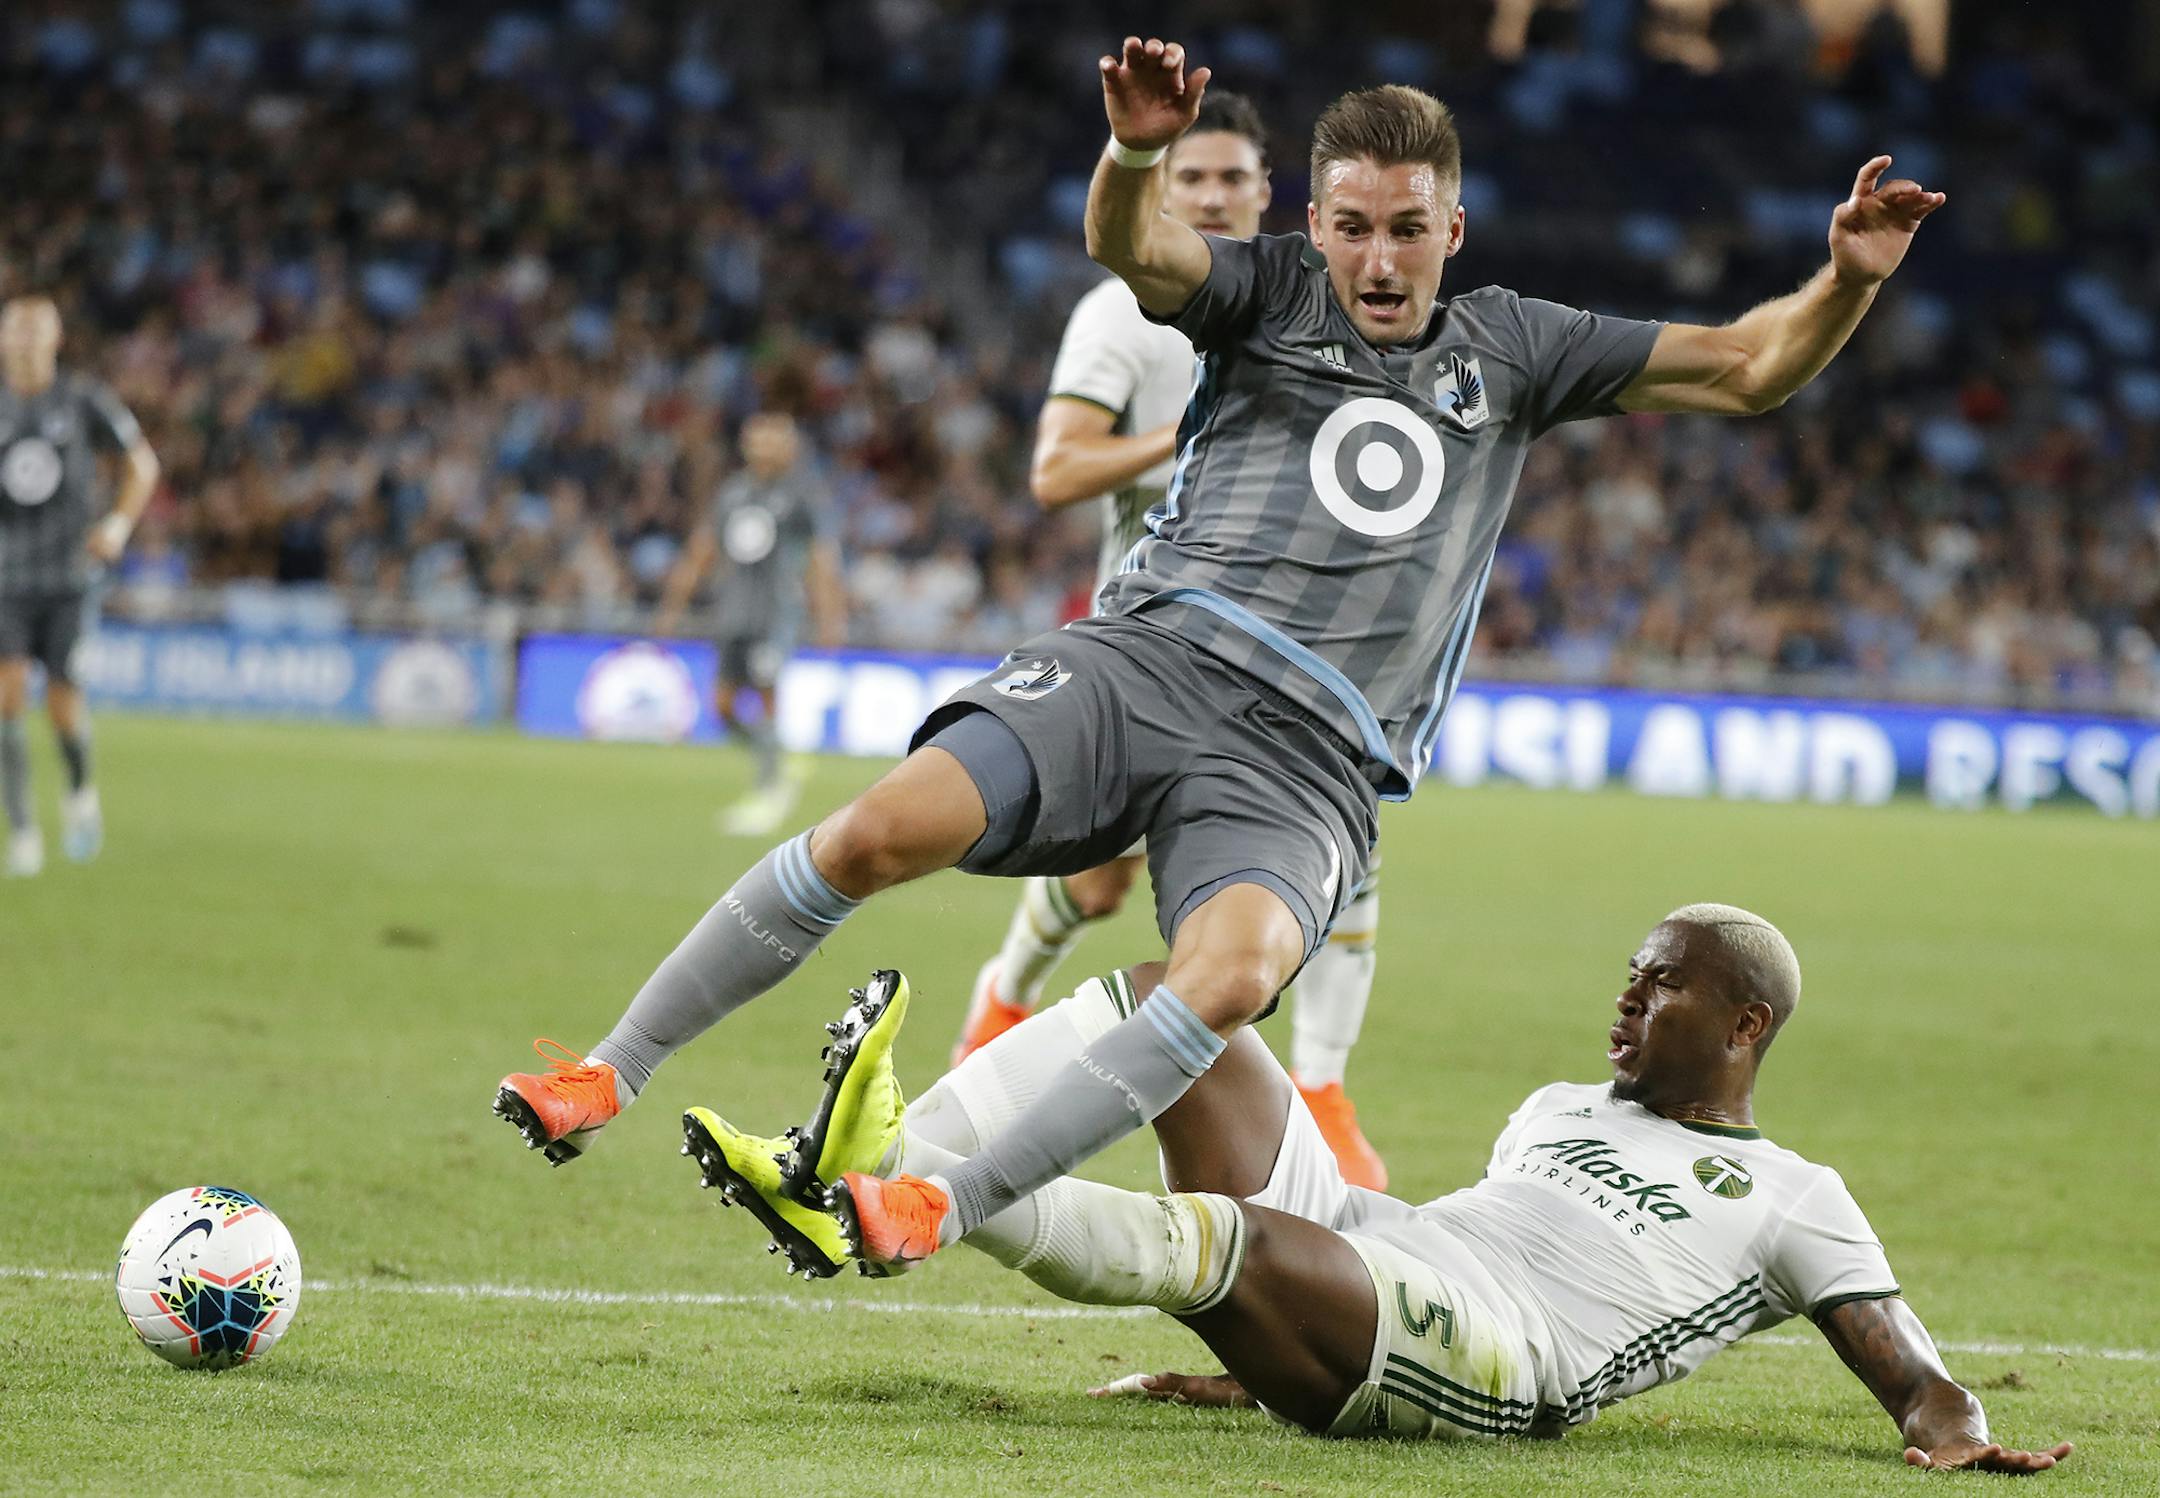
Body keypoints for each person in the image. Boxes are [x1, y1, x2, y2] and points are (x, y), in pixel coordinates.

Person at [493, 36, 1943, 1273]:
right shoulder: (1263, 294)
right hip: (1152, 659)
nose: (1380, 261)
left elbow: (1750, 364)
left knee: (1235, 971)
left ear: (1457, 224)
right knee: (887, 824)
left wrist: (1848, 280)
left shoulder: (1521, 349)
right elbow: (1134, 248)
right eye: (1355, 226)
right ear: (1316, 219)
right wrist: (1133, 156)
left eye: (1409, 228)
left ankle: (936, 1198)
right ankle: (606, 1069)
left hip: (1307, 758)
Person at [685, 906, 2071, 1473]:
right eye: (1632, 973)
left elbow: (1920, 1384)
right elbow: (1413, 1263)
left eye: (1661, 984)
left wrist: (1956, 1432)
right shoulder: (1559, 1107)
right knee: (1187, 1001)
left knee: (1222, 1243)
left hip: (1499, 1355)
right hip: (1390, 1259)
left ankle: (900, 1204)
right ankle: (882, 1177)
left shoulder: (1798, 1195)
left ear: (1746, 1023)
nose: (1627, 994)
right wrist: (1271, 1356)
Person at [954, 87, 1391, 1190]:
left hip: (1302, 662)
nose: (1211, 195)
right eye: (1189, 177)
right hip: (1152, 647)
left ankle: (1326, 1093)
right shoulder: (1124, 313)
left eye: (1232, 179)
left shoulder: (1324, 304)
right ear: (1166, 186)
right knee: (1098, 888)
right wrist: (1198, 438)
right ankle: (1001, 999)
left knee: (1345, 871)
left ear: (1265, 191)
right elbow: (1056, 470)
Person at [0, 296, 159, 877]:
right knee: (7, 695)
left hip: (69, 578)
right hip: (6, 580)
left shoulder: (84, 400)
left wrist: (117, 524)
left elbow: (143, 464)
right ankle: (21, 832)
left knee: (64, 705)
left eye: (33, 330)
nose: (22, 340)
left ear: (56, 338)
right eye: (13, 330)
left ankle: (79, 792)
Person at [653, 410, 844, 837]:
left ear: (790, 447)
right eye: (759, 440)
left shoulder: (801, 497)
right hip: (731, 613)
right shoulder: (733, 494)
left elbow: (820, 561)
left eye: (775, 440)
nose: (766, 448)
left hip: (774, 615)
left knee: (765, 694)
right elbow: (703, 549)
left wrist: (830, 614)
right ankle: (776, 757)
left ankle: (770, 790)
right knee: (722, 706)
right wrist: (672, 605)